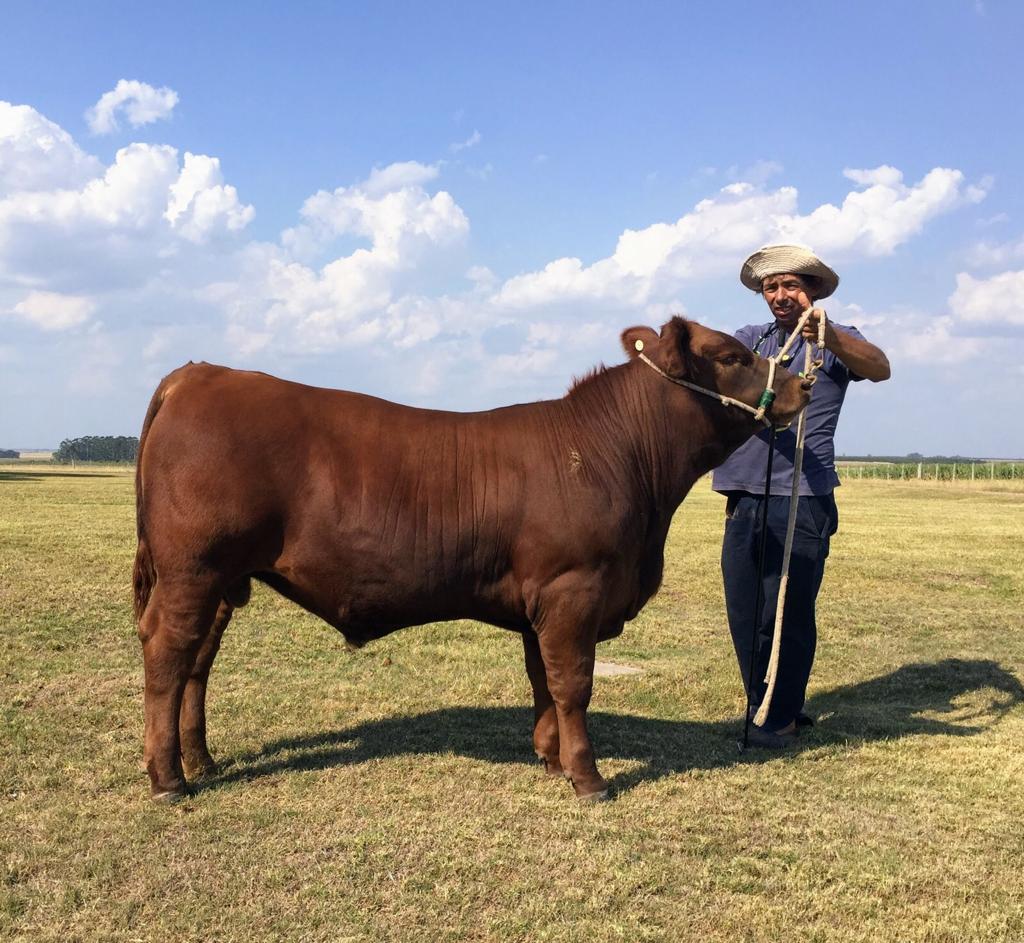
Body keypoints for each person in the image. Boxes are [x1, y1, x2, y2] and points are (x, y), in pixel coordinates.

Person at [712, 244, 891, 747]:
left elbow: (880, 368)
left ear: (811, 290)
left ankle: (782, 716)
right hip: (743, 494)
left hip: (803, 498)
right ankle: (762, 705)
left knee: (786, 609)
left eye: (791, 285)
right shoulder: (751, 340)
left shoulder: (836, 339)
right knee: (745, 610)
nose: (780, 295)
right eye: (771, 287)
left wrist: (829, 335)